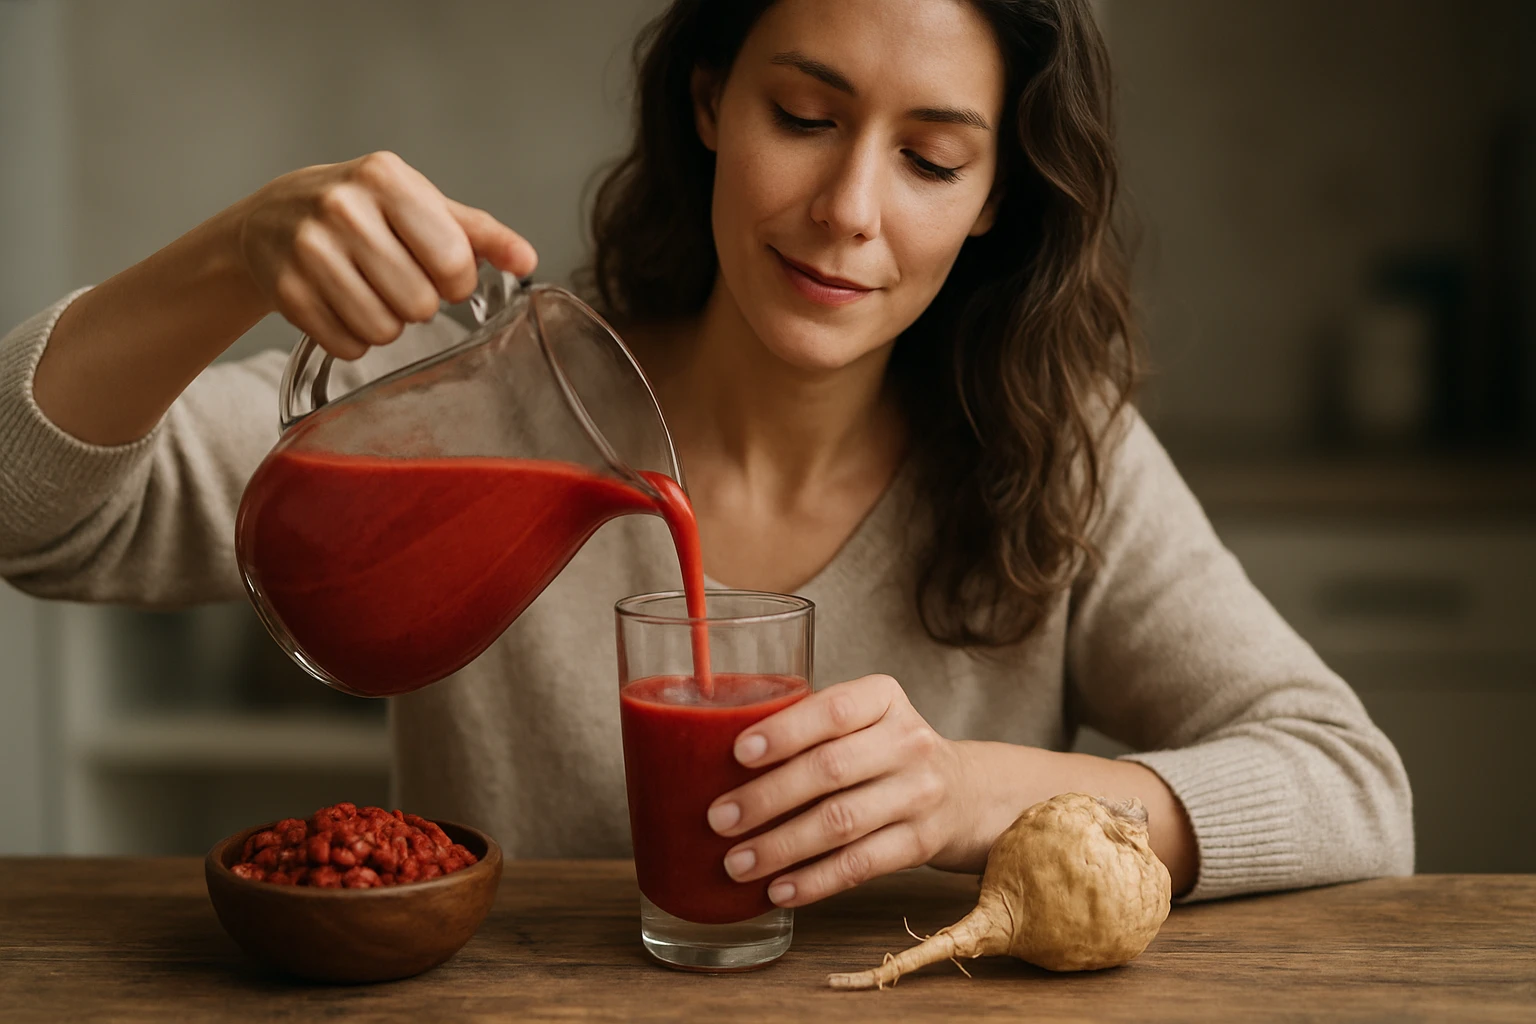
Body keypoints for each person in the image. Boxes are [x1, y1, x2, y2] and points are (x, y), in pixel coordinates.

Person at [0, 0, 1411, 906]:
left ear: (993, 201)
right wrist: (226, 259)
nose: (850, 207)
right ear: (708, 102)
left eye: (932, 160)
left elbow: (1354, 791)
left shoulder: (1054, 450)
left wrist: (972, 793)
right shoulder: (474, 403)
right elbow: (32, 516)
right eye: (804, 117)